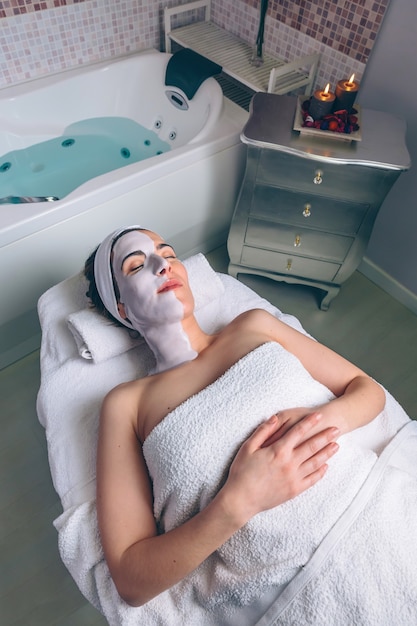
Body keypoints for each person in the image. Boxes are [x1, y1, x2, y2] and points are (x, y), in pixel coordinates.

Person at [84, 225, 385, 611]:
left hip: (376, 510)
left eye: (169, 253)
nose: (163, 265)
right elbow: (130, 577)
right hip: (300, 592)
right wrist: (240, 501)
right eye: (137, 265)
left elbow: (367, 389)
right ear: (122, 309)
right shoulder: (126, 405)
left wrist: (317, 420)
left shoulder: (253, 325)